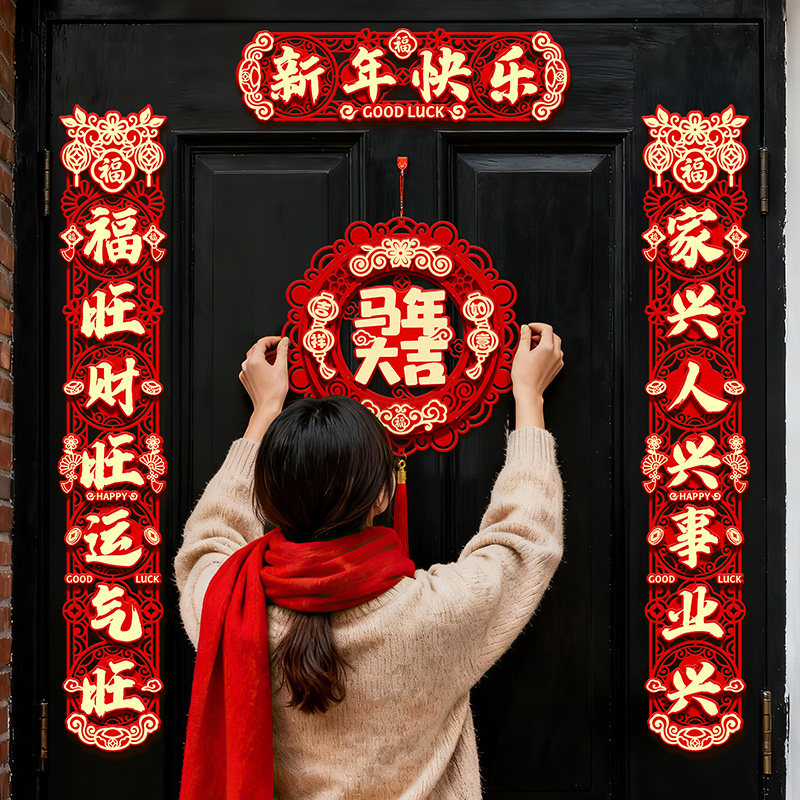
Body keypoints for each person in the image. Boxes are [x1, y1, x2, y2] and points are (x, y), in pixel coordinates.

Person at [175, 322, 565, 800]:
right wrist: (529, 397)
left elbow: (207, 539)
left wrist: (264, 415)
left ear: (265, 500)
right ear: (382, 495)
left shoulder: (229, 607)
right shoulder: (435, 613)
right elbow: (523, 541)